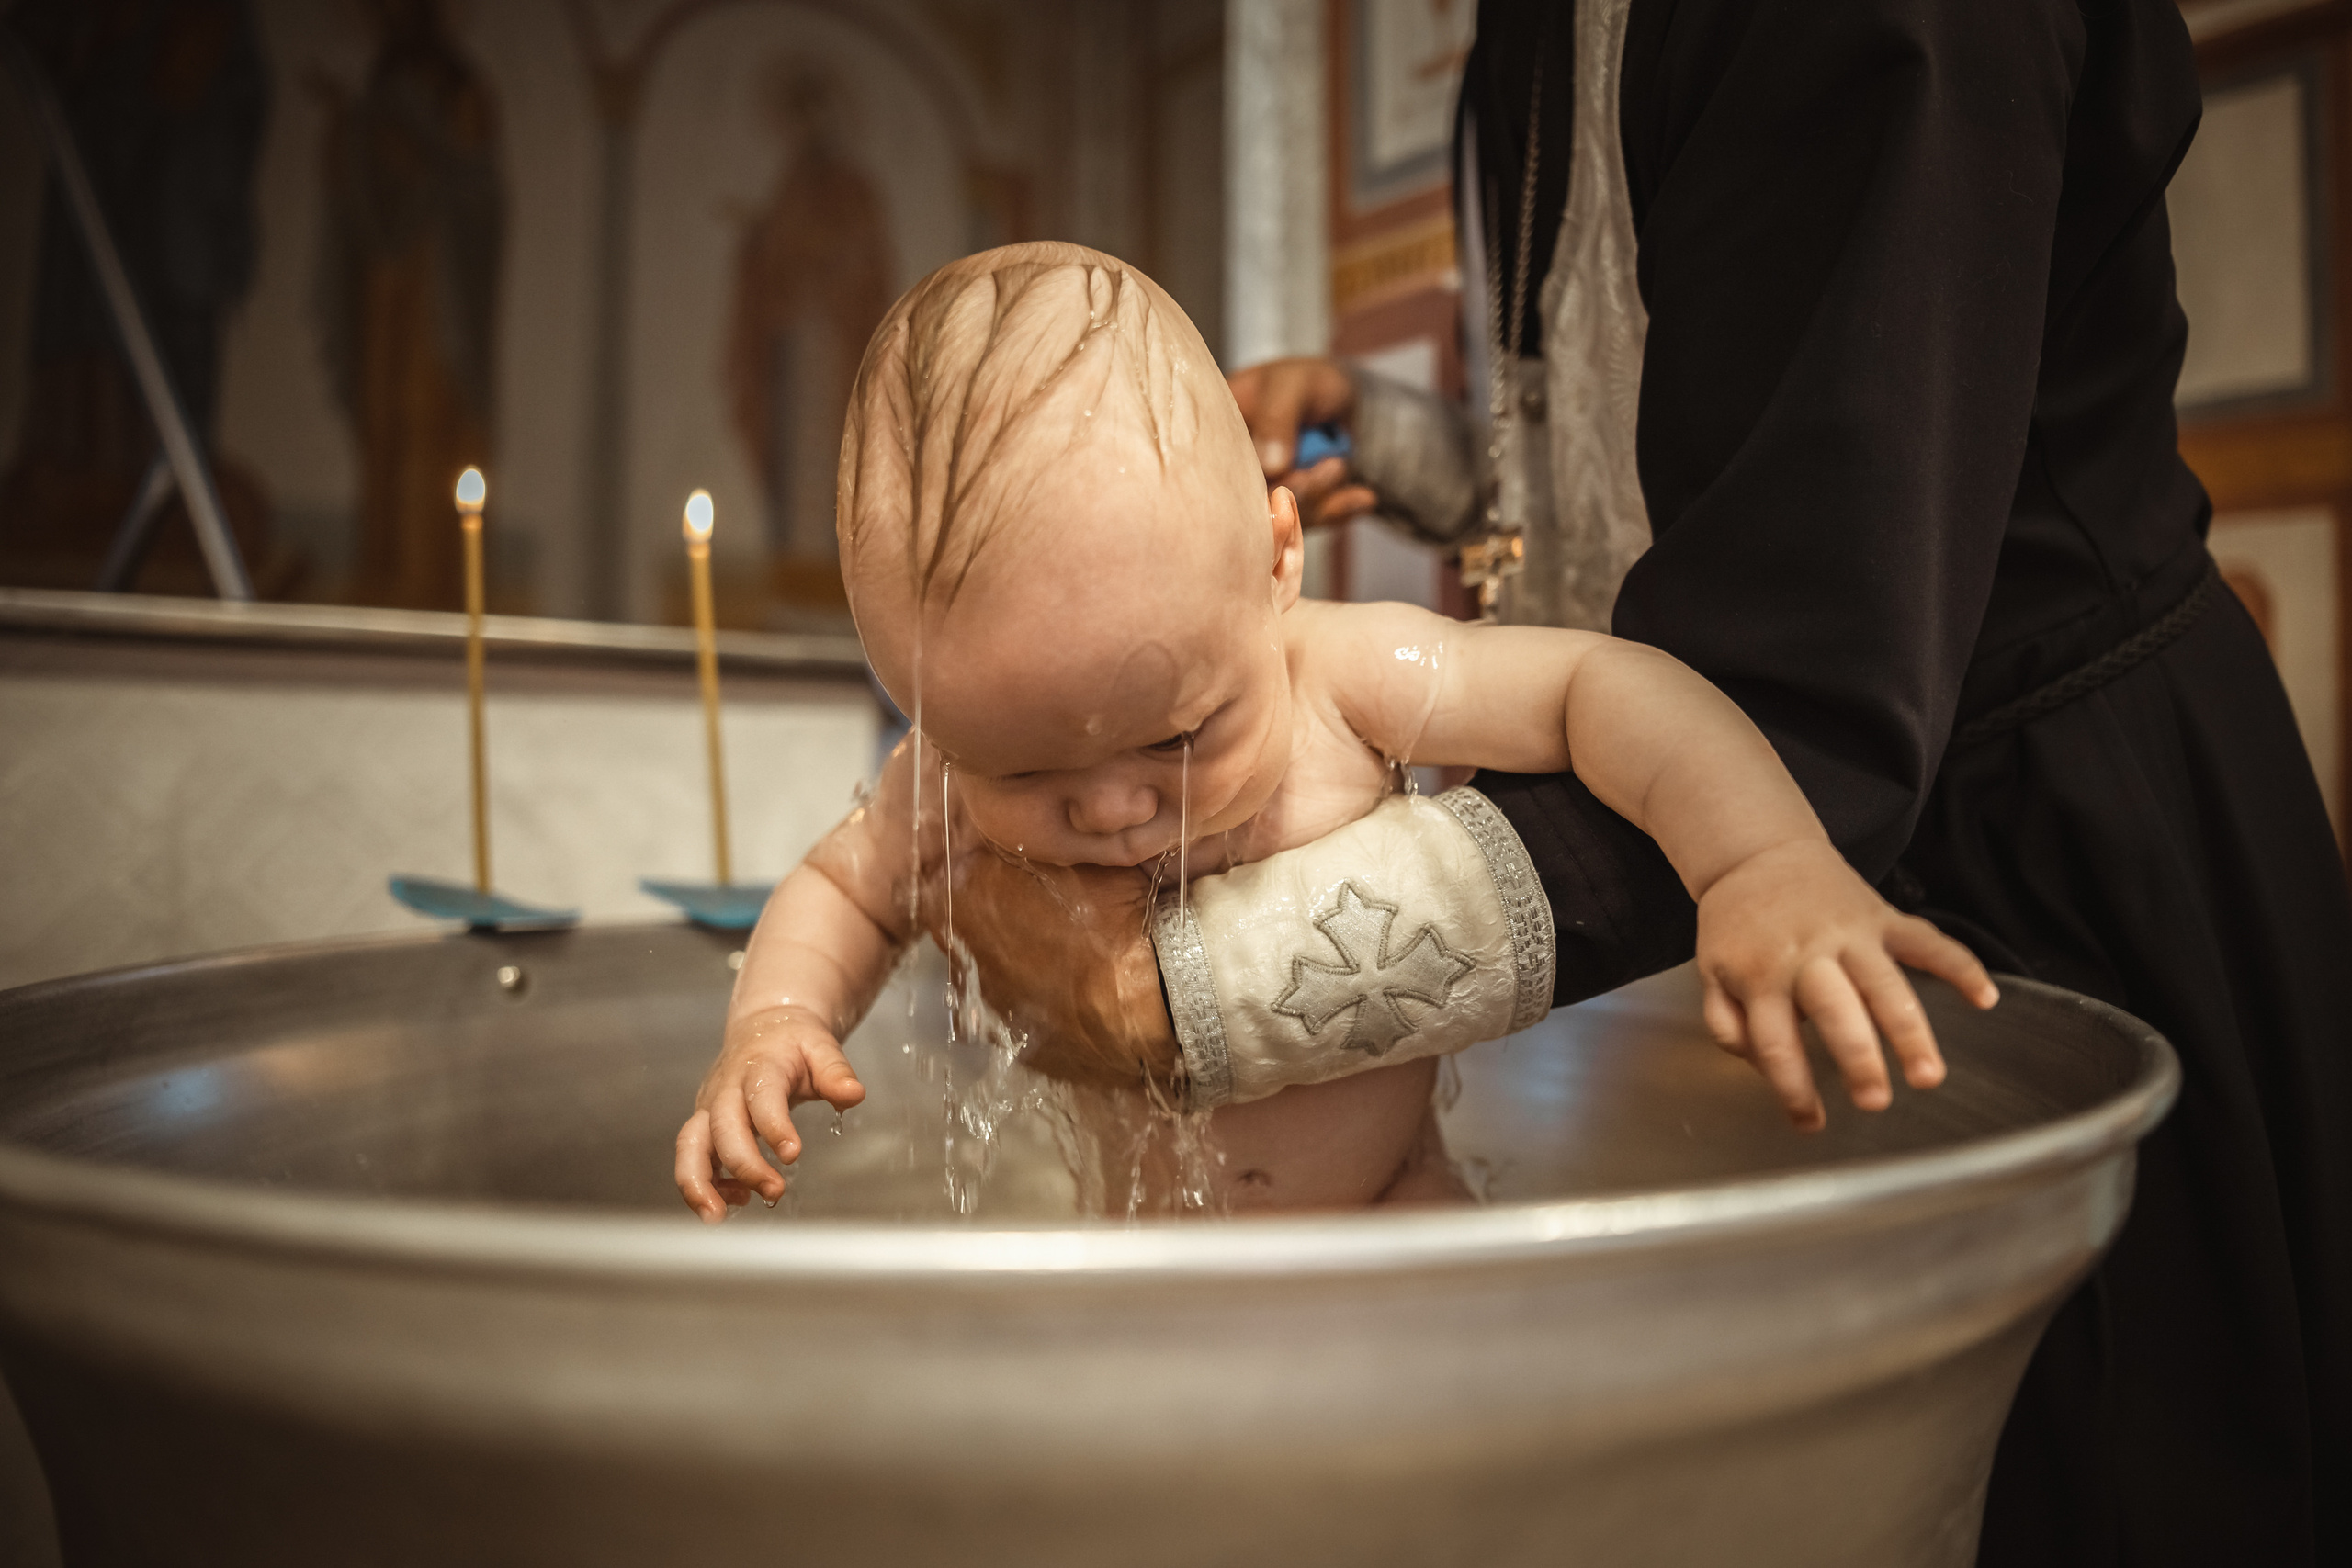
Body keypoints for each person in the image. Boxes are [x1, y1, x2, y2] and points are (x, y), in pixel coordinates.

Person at [944, 2, 2352, 1562]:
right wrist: (1407, 438)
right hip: (1726, 836)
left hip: (2033, 851)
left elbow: (1795, 671)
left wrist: (1196, 990)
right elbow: (1684, 430)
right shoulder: (1531, 34)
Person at [672, 242, 1996, 1221]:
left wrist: (1755, 866)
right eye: (1026, 772)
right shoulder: (946, 779)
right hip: (1139, 1261)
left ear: (1278, 557)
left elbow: (1605, 692)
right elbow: (845, 883)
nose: (1116, 807)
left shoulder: (1343, 680)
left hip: (1392, 1211)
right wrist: (776, 1019)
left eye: (1180, 736)